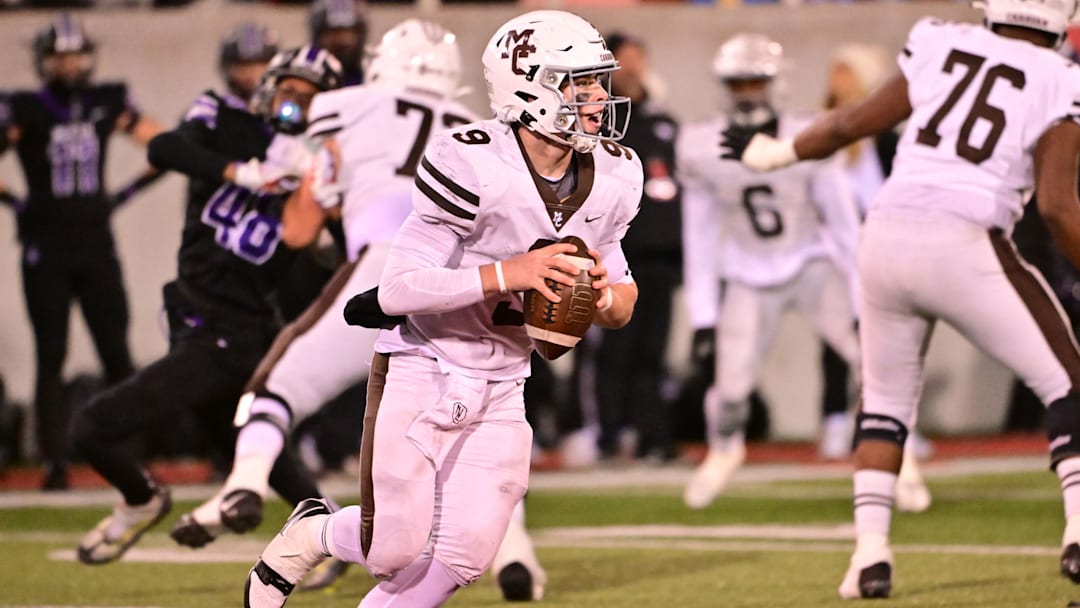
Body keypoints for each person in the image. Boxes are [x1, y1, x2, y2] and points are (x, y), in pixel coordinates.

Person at [243, 10, 641, 607]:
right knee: (392, 548)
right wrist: (512, 273)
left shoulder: (613, 172)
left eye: (597, 82)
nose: (597, 98)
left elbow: (623, 295)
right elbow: (398, 289)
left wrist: (601, 296)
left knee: (462, 556)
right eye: (577, 83)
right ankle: (312, 532)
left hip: (505, 380)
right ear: (528, 85)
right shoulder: (472, 161)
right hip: (424, 365)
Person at [722, 0, 1080, 598]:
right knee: (1069, 383)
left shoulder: (940, 42)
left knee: (885, 402)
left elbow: (846, 124)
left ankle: (869, 555)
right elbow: (1056, 205)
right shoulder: (1062, 77)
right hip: (966, 236)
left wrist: (771, 153)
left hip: (885, 235)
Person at [168, 15, 476, 587]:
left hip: (390, 265)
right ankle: (515, 556)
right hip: (469, 290)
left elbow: (298, 228)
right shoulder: (483, 130)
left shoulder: (350, 104)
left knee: (277, 386)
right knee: (478, 432)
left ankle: (247, 480)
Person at [69, 45, 343, 565]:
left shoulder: (329, 161)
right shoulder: (223, 117)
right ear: (270, 85)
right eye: (289, 92)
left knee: (92, 428)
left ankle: (142, 500)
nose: (294, 108)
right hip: (196, 311)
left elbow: (341, 247)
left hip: (233, 330)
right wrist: (241, 173)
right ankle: (331, 533)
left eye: (310, 101)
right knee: (249, 447)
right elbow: (164, 149)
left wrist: (330, 218)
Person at [678, 33, 863, 510]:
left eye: (755, 80)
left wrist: (865, 297)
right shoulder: (701, 144)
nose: (746, 91)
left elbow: (843, 223)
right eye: (738, 81)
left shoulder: (806, 132)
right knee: (732, 387)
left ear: (775, 82)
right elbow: (698, 234)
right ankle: (723, 451)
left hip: (810, 260)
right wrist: (703, 314)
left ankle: (898, 457)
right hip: (746, 272)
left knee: (872, 359)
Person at [0, 14, 163, 491]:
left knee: (116, 352)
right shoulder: (26, 107)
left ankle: (130, 459)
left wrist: (121, 196)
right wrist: (16, 201)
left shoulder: (105, 100)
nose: (69, 64)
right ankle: (55, 464)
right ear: (43, 60)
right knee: (51, 355)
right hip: (45, 247)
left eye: (74, 55)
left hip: (95, 243)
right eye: (59, 56)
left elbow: (164, 146)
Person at [585, 31, 682, 462]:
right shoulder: (590, 121)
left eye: (638, 57)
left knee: (652, 352)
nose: (634, 67)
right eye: (624, 59)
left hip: (659, 253)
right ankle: (606, 435)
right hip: (614, 249)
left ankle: (652, 437)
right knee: (612, 349)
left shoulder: (663, 120)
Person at [308, 0, 368, 87]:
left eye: (348, 31)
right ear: (318, 36)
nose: (342, 40)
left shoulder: (374, 73)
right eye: (334, 32)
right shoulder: (306, 76)